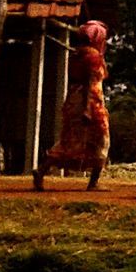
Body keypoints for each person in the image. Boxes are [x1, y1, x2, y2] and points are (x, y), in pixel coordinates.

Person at [32, 20, 110, 191]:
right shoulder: (93, 57)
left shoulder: (77, 55)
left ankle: (42, 170)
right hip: (90, 101)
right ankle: (93, 183)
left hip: (73, 100)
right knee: (101, 140)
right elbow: (90, 82)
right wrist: (88, 109)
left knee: (68, 140)